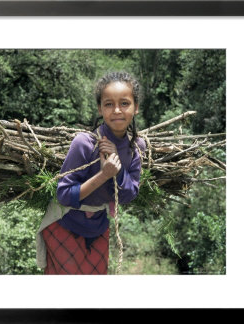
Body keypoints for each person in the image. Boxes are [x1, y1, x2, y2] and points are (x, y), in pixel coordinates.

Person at [36, 71, 146, 274]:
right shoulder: (84, 143)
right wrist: (104, 175)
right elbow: (64, 195)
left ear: (136, 108)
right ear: (100, 108)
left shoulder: (136, 147)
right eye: (108, 104)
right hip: (64, 223)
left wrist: (118, 171)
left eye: (124, 103)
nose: (116, 110)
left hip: (98, 225)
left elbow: (130, 194)